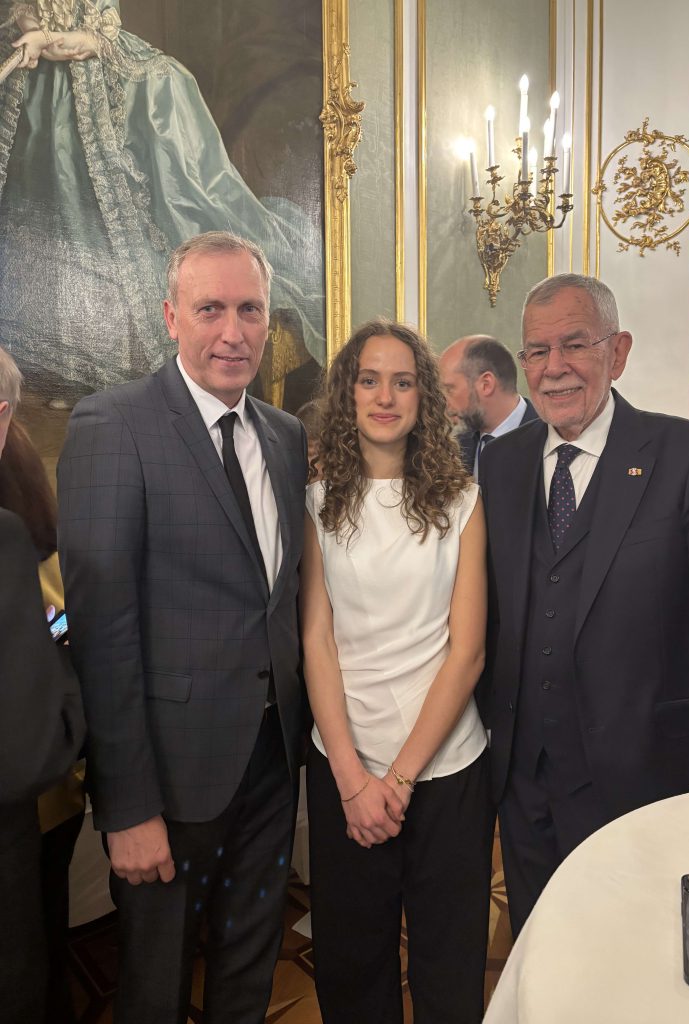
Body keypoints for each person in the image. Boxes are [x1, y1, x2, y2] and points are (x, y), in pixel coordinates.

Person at [57, 231, 308, 1024]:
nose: (233, 332)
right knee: (156, 982)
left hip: (272, 757)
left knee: (250, 960)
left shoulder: (286, 436)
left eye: (250, 310)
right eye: (210, 310)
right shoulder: (114, 424)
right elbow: (102, 632)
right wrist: (126, 807)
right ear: (171, 317)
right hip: (168, 777)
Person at [479, 273, 689, 936]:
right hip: (525, 779)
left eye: (574, 344)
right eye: (537, 351)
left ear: (618, 351)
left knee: (636, 950)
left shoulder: (686, 453)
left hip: (646, 770)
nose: (554, 368)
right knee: (540, 945)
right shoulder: (503, 462)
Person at [301, 320, 494, 1024]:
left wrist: (400, 779)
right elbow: (317, 640)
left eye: (403, 382)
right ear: (348, 393)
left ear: (424, 398)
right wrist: (354, 780)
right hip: (346, 765)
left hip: (446, 768)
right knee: (353, 963)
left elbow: (466, 652)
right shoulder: (318, 501)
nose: (385, 397)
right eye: (370, 380)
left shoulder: (462, 500)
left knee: (450, 960)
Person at [0, 0, 323, 398]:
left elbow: (97, 39)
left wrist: (45, 40)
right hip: (37, 97)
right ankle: (61, 373)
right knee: (51, 221)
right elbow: (21, 11)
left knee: (168, 83)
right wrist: (30, 30)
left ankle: (101, 377)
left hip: (92, 84)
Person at [0, 346, 85, 1024]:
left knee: (36, 932)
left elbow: (59, 618)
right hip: (34, 772)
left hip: (39, 780)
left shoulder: (21, 499)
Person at [439, 334, 538, 476]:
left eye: (449, 389)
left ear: (486, 384)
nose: (444, 402)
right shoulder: (453, 449)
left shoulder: (550, 440)